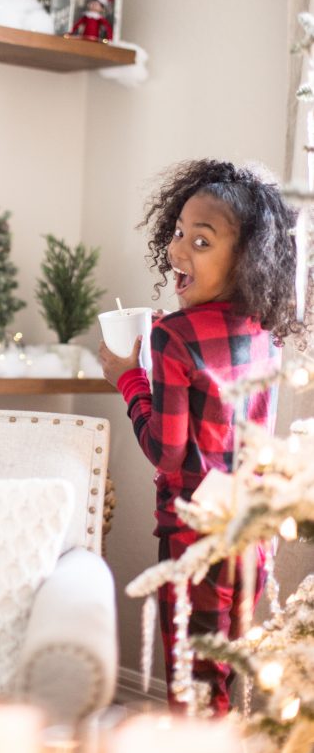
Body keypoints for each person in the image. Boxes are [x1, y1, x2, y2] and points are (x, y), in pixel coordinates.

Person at [98, 158, 307, 715]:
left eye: (202, 241)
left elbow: (166, 453)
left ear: (245, 260)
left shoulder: (173, 335)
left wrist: (128, 378)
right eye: (179, 232)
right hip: (252, 538)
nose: (179, 250)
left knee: (191, 690)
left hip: (194, 540)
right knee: (221, 676)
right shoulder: (266, 329)